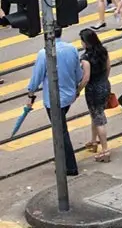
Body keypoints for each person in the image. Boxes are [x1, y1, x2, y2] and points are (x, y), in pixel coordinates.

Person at [27, 28, 84, 175]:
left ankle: (70, 167)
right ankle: (63, 160)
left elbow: (37, 76)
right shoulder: (71, 48)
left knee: (60, 131)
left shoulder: (44, 53)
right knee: (61, 127)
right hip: (69, 95)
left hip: (53, 99)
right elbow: (78, 73)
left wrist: (31, 91)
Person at [76, 28, 112, 162]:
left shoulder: (85, 59)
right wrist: (103, 81)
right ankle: (93, 141)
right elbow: (108, 67)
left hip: (93, 90)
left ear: (86, 42)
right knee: (96, 115)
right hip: (105, 85)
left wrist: (78, 90)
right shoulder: (103, 51)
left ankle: (105, 150)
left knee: (99, 119)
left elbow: (85, 78)